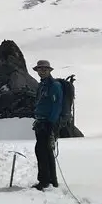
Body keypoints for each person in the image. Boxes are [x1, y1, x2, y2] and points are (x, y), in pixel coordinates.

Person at [31, 59, 62, 190]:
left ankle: (44, 181)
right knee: (45, 150)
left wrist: (51, 123)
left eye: (44, 69)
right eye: (40, 69)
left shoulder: (53, 86)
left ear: (49, 70)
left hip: (47, 123)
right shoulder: (43, 85)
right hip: (41, 122)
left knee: (42, 150)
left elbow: (57, 105)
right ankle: (51, 180)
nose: (42, 71)